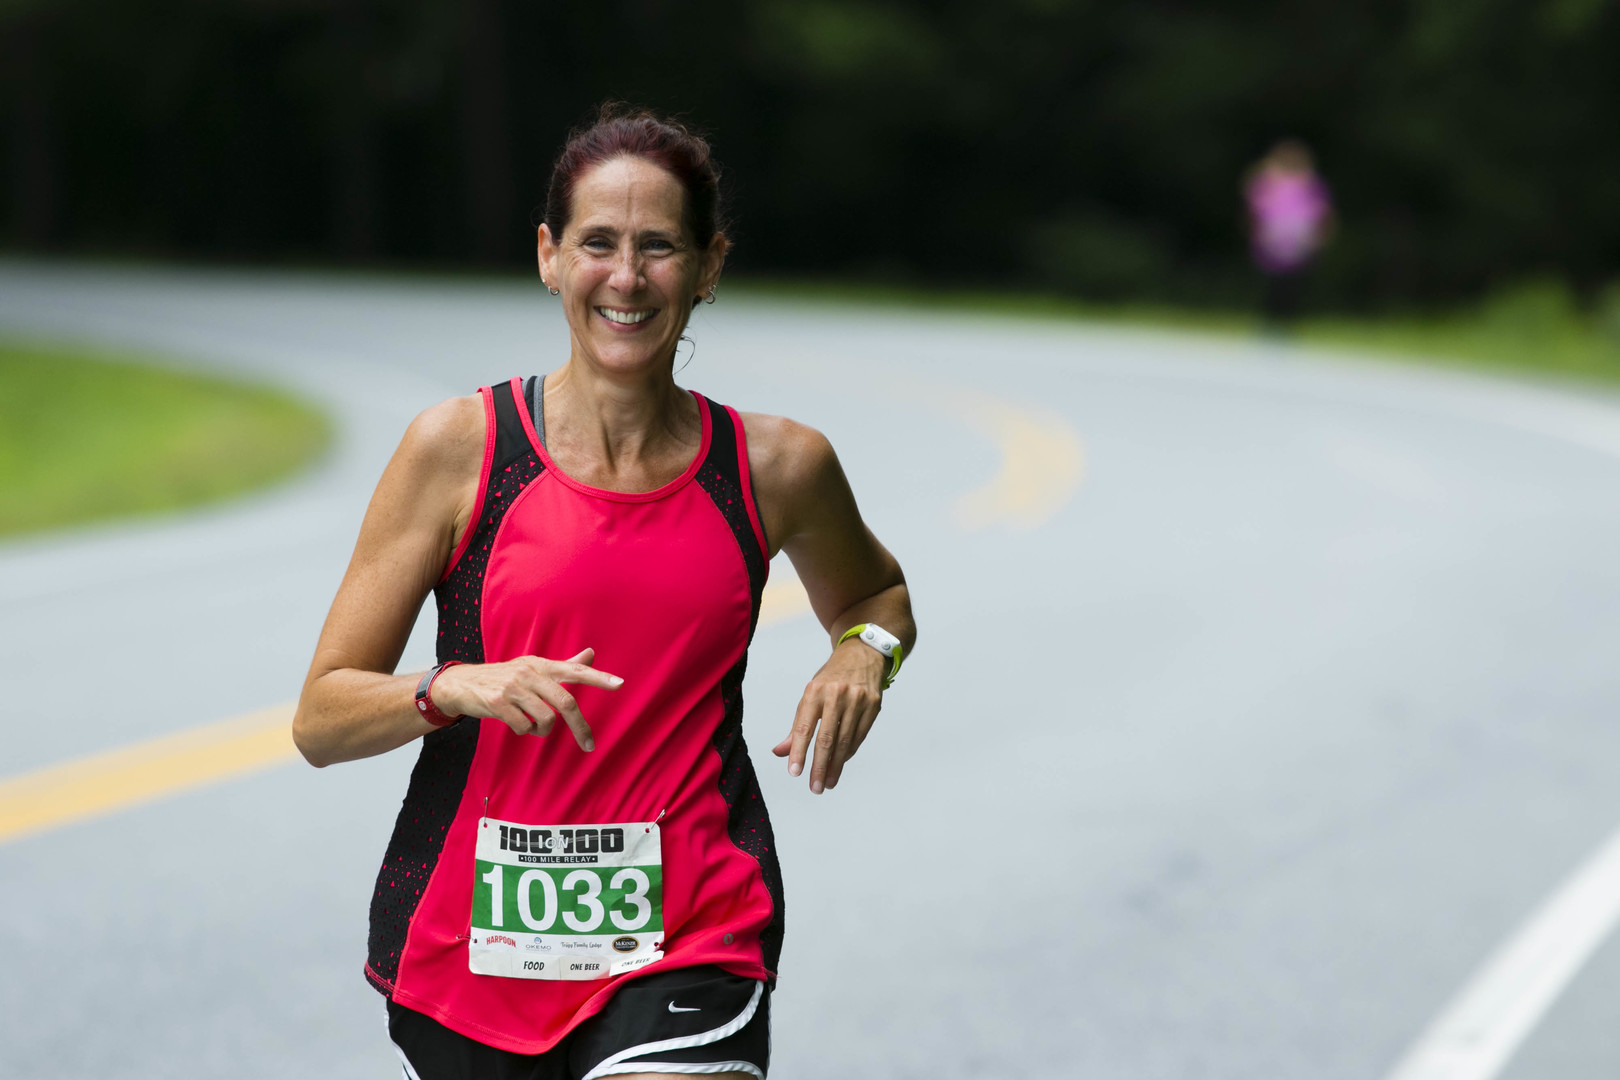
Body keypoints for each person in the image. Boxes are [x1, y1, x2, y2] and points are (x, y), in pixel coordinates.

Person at [291, 104, 915, 1080]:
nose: (626, 279)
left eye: (660, 247)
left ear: (709, 268)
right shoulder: (460, 451)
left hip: (695, 928)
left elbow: (877, 597)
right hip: (470, 949)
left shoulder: (776, 467)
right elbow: (321, 718)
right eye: (599, 244)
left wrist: (863, 655)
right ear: (548, 257)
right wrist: (454, 685)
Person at [1243, 139, 1334, 327]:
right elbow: (1254, 204)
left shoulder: (1310, 182)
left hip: (1299, 237)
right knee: (1272, 282)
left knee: (1292, 283)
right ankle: (1269, 322)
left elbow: (1323, 212)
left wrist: (1320, 236)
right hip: (1273, 236)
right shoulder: (1268, 180)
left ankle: (1286, 323)